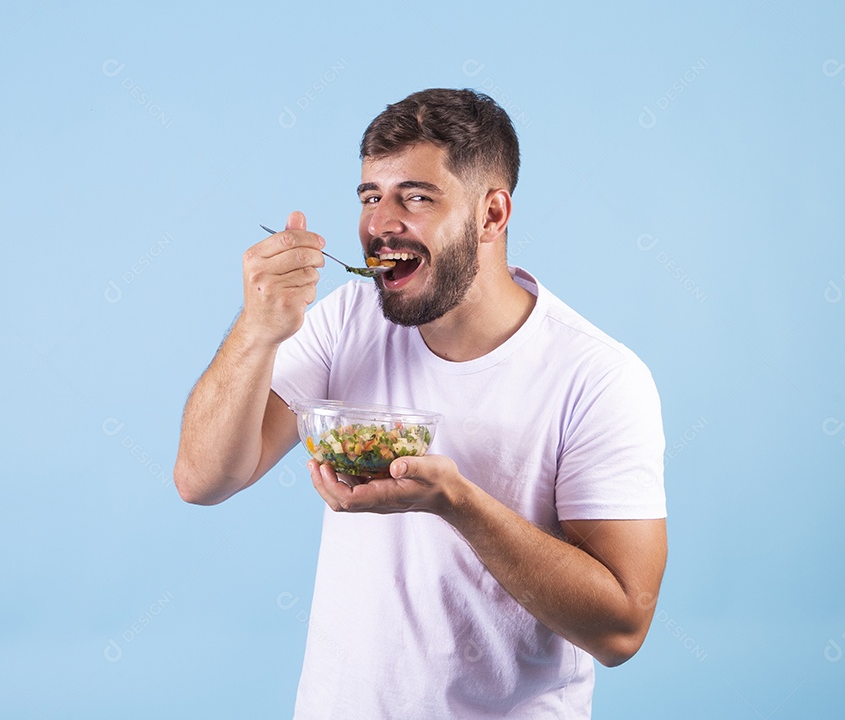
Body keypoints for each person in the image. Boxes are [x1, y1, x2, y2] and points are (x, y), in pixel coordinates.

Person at [174, 88, 667, 719]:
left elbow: (621, 629)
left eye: (416, 197)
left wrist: (454, 502)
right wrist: (256, 328)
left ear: (492, 214)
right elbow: (203, 479)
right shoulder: (346, 319)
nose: (380, 224)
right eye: (370, 196)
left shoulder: (597, 377)